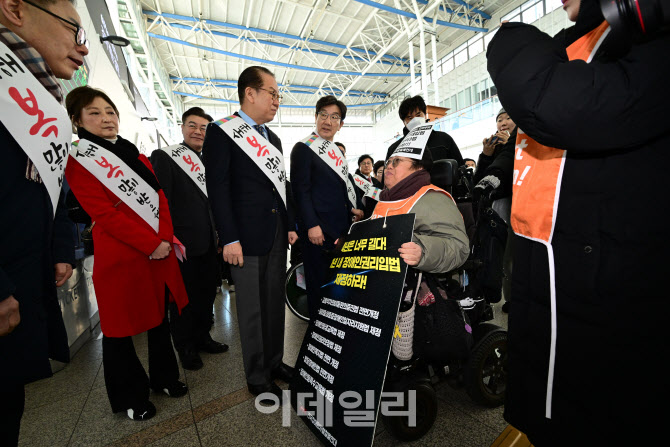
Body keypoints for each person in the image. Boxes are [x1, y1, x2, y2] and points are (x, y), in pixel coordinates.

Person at [487, 0, 670, 444]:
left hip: (608, 297)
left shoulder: (647, 42)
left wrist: (510, 38)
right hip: (552, 281)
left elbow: (553, 101)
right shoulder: (581, 41)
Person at [65, 86, 189, 421]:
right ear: (76, 120)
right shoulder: (80, 160)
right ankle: (130, 396)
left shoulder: (135, 154)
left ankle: (165, 378)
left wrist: (162, 239)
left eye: (110, 111)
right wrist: (151, 243)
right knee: (119, 329)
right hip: (120, 256)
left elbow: (160, 198)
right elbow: (104, 214)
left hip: (156, 253)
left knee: (157, 319)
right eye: (94, 113)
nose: (106, 118)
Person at [0, 0, 88, 444]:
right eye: (74, 30)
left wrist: (57, 249)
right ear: (14, 8)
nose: (83, 49)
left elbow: (43, 188)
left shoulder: (42, 96)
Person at [204, 65, 297, 402]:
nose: (277, 101)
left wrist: (289, 225)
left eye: (278, 95)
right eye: (272, 93)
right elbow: (218, 187)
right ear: (250, 93)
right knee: (252, 309)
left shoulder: (273, 139)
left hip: (274, 233)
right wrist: (228, 237)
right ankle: (257, 375)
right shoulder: (222, 131)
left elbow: (279, 189)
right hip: (243, 237)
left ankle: (274, 362)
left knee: (274, 303)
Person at [150, 107, 229, 371]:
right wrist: (167, 238)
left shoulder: (210, 161)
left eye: (204, 127)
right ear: (182, 128)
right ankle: (185, 346)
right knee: (183, 298)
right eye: (192, 126)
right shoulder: (166, 156)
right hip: (181, 242)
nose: (198, 131)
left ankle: (203, 336)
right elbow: (161, 202)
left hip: (209, 241)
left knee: (206, 293)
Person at [291, 96, 364, 321]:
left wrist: (353, 209)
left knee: (335, 283)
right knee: (318, 285)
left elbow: (339, 187)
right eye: (323, 114)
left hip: (339, 228)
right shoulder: (303, 148)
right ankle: (318, 331)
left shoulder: (335, 152)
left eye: (334, 117)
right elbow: (300, 191)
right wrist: (312, 225)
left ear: (340, 124)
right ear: (315, 117)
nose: (328, 121)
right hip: (317, 232)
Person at [372, 149, 469, 288]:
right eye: (388, 161)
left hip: (422, 288)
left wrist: (422, 252)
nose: (389, 166)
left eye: (397, 161)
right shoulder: (385, 199)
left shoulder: (433, 199)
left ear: (419, 167)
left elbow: (459, 248)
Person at [473, 108, 517, 312]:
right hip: (497, 207)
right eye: (499, 119)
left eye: (508, 117)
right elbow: (478, 180)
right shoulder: (494, 149)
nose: (504, 122)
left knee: (513, 254)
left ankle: (515, 296)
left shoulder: (522, 143)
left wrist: (510, 145)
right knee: (499, 252)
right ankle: (506, 296)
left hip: (517, 203)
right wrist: (486, 155)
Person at [385, 95, 463, 166]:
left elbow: (460, 167)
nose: (415, 120)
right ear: (404, 122)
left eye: (418, 115)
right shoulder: (395, 149)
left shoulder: (444, 139)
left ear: (425, 115)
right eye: (410, 117)